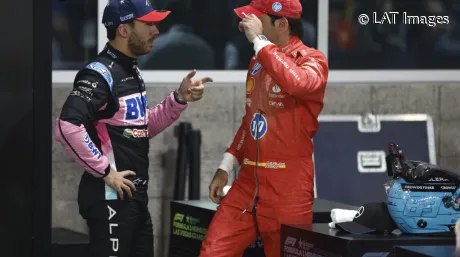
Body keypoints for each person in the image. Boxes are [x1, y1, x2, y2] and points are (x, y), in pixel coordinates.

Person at [54, 0, 213, 256]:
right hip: (110, 197)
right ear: (124, 30)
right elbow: (66, 126)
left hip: (134, 197)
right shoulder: (99, 73)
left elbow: (141, 128)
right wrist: (106, 171)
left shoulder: (130, 70)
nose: (156, 31)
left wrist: (179, 99)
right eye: (148, 24)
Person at [200, 0, 329, 256]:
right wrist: (226, 166)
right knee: (212, 252)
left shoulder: (312, 59)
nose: (246, 24)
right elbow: (252, 120)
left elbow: (298, 83)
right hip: (247, 183)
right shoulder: (257, 62)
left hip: (289, 188)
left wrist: (260, 42)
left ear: (281, 24)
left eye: (258, 20)